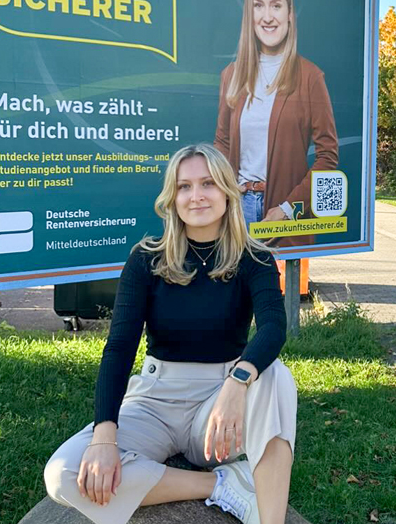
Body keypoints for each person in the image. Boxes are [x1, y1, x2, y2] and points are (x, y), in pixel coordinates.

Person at [43, 144, 297, 524]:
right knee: (63, 474)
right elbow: (119, 349)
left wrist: (237, 383)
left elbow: (275, 327)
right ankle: (219, 484)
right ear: (172, 198)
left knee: (276, 374)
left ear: (228, 192)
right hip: (154, 401)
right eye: (184, 186)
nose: (196, 196)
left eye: (208, 184)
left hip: (219, 409)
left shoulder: (254, 258)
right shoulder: (145, 259)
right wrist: (103, 438)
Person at [215, 0, 338, 246]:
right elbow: (221, 142)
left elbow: (327, 157)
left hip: (283, 215)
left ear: (290, 14)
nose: (268, 16)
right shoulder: (231, 75)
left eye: (276, 5)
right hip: (236, 212)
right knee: (234, 289)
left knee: (280, 290)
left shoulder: (310, 77)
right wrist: (225, 195)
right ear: (250, 14)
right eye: (259, 5)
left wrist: (287, 210)